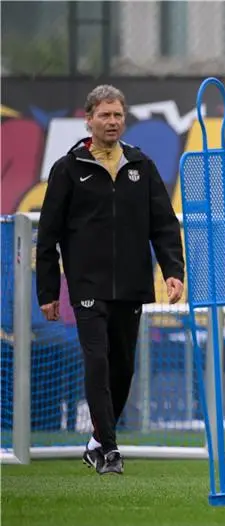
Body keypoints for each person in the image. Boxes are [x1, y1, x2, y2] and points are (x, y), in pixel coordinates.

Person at [36, 85, 185, 475]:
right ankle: (112, 451)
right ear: (89, 119)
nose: (113, 121)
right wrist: (49, 291)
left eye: (118, 115)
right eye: (105, 115)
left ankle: (96, 443)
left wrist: (173, 272)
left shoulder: (142, 166)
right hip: (86, 286)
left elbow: (165, 226)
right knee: (97, 362)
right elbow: (48, 235)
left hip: (132, 284)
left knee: (123, 369)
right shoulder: (68, 168)